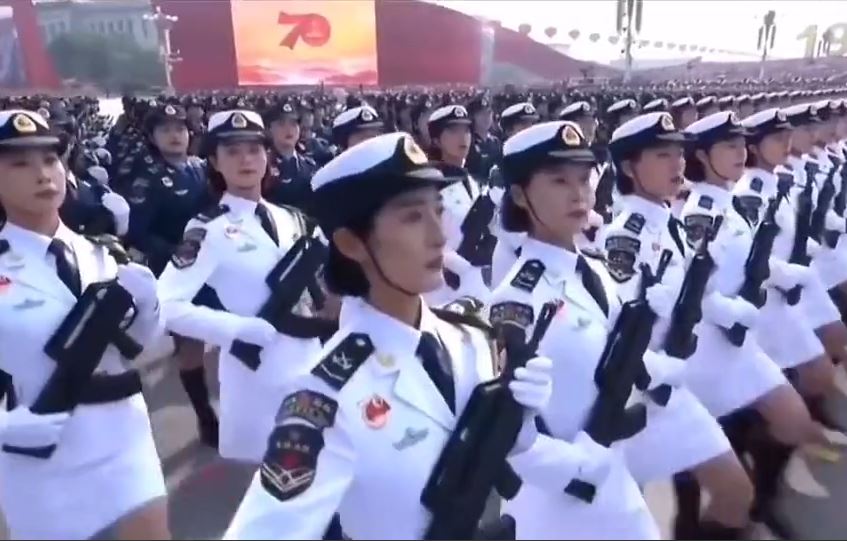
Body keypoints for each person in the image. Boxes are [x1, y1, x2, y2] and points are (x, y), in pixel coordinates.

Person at [224, 131, 562, 539]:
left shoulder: (471, 339)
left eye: (438, 210)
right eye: (413, 217)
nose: (439, 235)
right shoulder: (325, 397)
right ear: (351, 243)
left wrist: (525, 424)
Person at [489, 120, 662, 539]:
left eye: (584, 179)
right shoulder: (516, 302)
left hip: (609, 473)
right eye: (559, 181)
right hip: (554, 502)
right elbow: (504, 430)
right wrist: (574, 465)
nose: (578, 193)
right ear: (519, 195)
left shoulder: (595, 271)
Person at [0, 109, 168, 539]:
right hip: (40, 458)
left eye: (50, 160)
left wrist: (149, 309)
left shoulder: (103, 255)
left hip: (124, 440)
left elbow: (136, 347)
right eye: (20, 163)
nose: (43, 175)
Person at [679, 111, 846, 535]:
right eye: (729, 147)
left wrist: (780, 272)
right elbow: (694, 284)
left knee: (780, 422)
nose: (742, 152)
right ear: (702, 155)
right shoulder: (702, 210)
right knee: (714, 457)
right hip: (711, 339)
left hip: (747, 325)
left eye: (742, 145)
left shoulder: (729, 199)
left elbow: (750, 258)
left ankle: (758, 495)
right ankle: (722, 515)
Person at [602, 112, 752, 539]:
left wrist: (723, 308)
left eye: (679, 154)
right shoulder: (624, 235)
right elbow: (617, 327)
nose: (677, 165)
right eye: (663, 155)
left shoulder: (667, 219)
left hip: (672, 382)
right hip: (636, 393)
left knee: (735, 491)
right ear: (631, 168)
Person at [158, 109, 325, 464]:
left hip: (311, 364)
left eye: (254, 149)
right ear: (215, 162)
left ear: (267, 157)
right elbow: (166, 304)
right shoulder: (208, 229)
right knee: (277, 480)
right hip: (257, 374)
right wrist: (235, 329)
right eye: (232, 151)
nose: (246, 159)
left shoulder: (292, 219)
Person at [118, 102, 220, 447]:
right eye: (166, 130)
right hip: (180, 275)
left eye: (180, 128)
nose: (175, 135)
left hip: (219, 271)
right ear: (152, 137)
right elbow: (137, 232)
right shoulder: (147, 180)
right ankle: (206, 418)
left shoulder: (204, 168)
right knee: (191, 349)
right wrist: (173, 251)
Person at [424, 104, 492, 306]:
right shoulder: (429, 187)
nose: (463, 137)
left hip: (480, 284)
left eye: (466, 130)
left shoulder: (476, 182)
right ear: (436, 140)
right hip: (443, 289)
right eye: (453, 131)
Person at [263, 102, 317, 213]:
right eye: (281, 124)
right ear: (269, 129)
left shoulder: (310, 165)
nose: (289, 129)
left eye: (293, 124)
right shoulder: (263, 165)